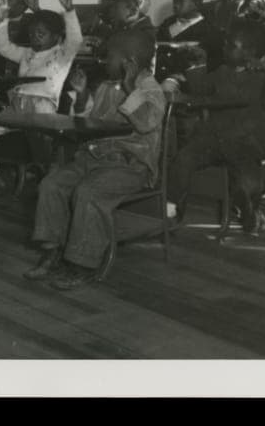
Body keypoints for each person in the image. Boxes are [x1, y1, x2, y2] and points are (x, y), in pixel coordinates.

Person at [24, 29, 167, 291]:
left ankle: (82, 263)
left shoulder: (151, 90)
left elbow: (146, 123)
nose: (103, 62)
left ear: (129, 63)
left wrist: (130, 87)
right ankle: (53, 249)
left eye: (109, 57)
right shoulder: (105, 86)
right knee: (52, 183)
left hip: (129, 166)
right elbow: (90, 121)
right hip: (94, 159)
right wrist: (80, 97)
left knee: (88, 192)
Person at [165, 20, 265, 236]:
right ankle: (170, 209)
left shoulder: (263, 77)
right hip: (213, 140)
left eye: (230, 45)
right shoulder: (222, 70)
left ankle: (254, 213)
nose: (224, 47)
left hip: (244, 144)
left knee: (248, 179)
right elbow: (200, 88)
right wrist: (196, 65)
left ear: (250, 52)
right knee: (183, 158)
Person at [0, 0, 84, 200]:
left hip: (42, 108)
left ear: (56, 37)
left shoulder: (61, 55)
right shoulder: (28, 54)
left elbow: (74, 41)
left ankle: (50, 183)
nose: (35, 39)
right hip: (16, 107)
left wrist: (70, 11)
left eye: (41, 34)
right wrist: (2, 21)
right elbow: (2, 47)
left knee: (41, 145)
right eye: (32, 34)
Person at [155, 0, 222, 79]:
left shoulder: (209, 31)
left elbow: (211, 64)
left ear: (197, 3)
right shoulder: (167, 23)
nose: (175, 5)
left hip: (187, 81)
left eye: (180, 0)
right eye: (174, 0)